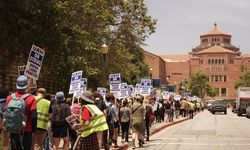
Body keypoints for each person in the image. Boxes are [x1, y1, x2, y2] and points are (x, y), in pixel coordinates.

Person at [4, 75, 37, 150]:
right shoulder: (31, 98)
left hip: (13, 129)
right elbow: (34, 116)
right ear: (27, 86)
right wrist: (33, 131)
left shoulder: (10, 97)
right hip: (26, 130)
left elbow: (5, 113)